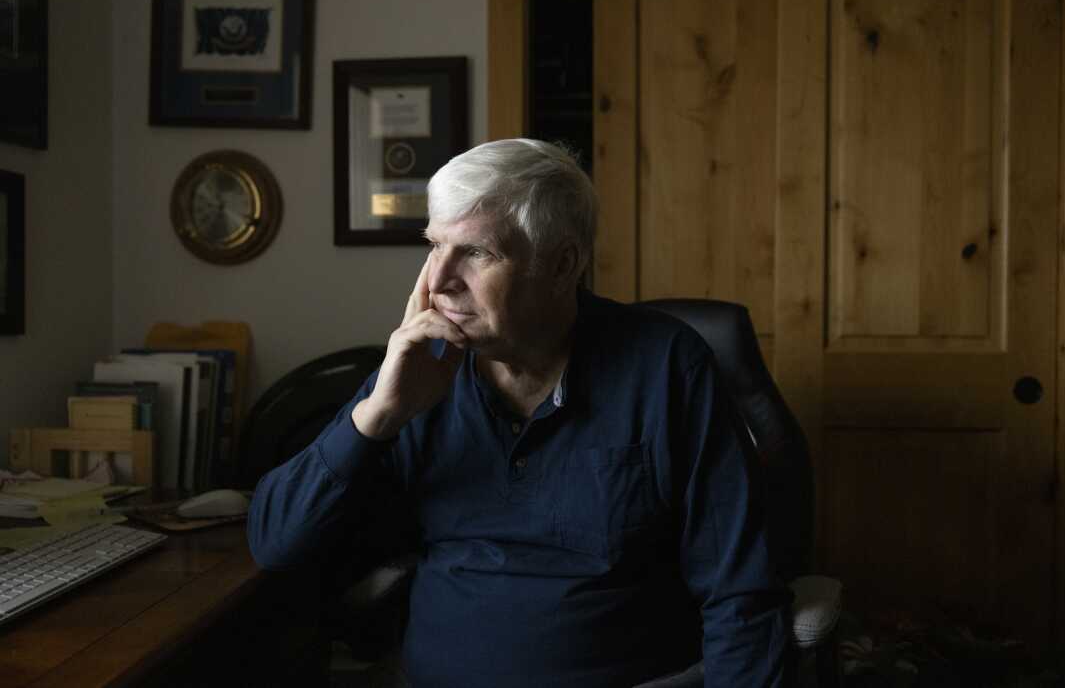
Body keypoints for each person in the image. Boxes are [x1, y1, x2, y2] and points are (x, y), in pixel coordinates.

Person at [248, 138, 791, 687]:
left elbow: (741, 593)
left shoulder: (666, 366)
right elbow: (277, 544)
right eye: (435, 246)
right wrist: (378, 414)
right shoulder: (420, 369)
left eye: (477, 253)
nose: (438, 281)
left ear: (562, 266)